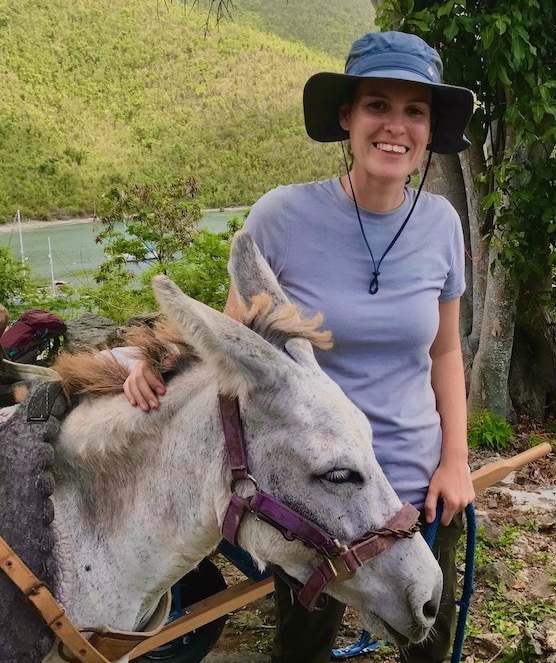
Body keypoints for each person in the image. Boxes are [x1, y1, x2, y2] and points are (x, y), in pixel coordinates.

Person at [121, 30, 475, 663]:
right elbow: (231, 350)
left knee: (427, 639)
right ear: (347, 117)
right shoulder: (282, 218)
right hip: (311, 493)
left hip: (417, 480)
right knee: (304, 649)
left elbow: (444, 353)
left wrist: (455, 459)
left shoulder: (442, 224)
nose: (395, 127)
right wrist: (150, 366)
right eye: (378, 106)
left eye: (414, 111)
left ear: (428, 130)